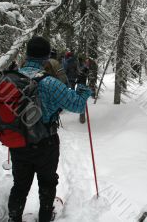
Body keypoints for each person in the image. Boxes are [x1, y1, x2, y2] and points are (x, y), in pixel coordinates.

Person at [7, 36, 91, 222]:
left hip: (18, 142)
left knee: (19, 186)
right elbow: (77, 105)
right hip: (46, 143)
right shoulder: (50, 83)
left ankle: (14, 218)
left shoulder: (10, 78)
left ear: (27, 54)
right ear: (46, 57)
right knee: (47, 184)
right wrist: (83, 83)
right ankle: (45, 217)